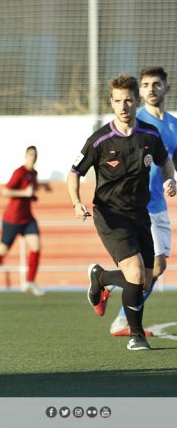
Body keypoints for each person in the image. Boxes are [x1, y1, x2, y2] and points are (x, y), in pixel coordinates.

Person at [68, 73, 176, 351]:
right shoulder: (100, 140)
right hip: (110, 214)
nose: (123, 107)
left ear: (135, 101)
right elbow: (74, 172)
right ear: (112, 103)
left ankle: (100, 277)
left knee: (144, 280)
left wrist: (170, 179)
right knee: (135, 273)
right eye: (118, 101)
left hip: (140, 214)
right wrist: (76, 202)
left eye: (128, 101)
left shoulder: (149, 135)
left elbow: (164, 162)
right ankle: (135, 335)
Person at [102, 67, 177, 336]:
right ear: (139, 93)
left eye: (157, 84)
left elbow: (171, 162)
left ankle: (105, 280)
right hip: (134, 207)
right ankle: (122, 318)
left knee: (156, 268)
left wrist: (172, 180)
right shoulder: (135, 122)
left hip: (158, 205)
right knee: (149, 268)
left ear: (166, 88)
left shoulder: (173, 125)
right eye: (145, 85)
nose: (151, 89)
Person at [0, 146, 44, 297]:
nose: (32, 157)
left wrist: (32, 196)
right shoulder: (19, 172)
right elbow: (5, 191)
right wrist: (24, 193)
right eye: (30, 154)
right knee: (3, 249)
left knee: (36, 245)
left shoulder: (34, 173)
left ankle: (29, 282)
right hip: (13, 218)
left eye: (34, 155)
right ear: (25, 156)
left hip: (27, 218)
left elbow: (29, 192)